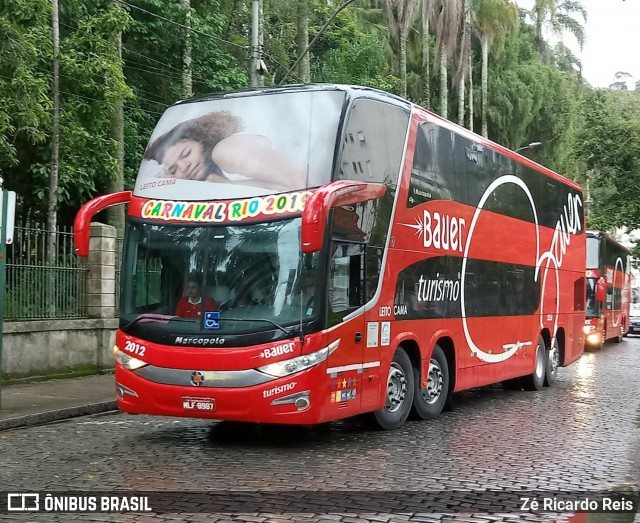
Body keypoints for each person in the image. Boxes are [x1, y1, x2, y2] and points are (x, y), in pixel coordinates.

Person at [143, 111, 307, 191]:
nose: (184, 166)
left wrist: (228, 186)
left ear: (201, 139)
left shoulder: (225, 151)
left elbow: (301, 184)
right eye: (173, 169)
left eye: (186, 153)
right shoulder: (217, 178)